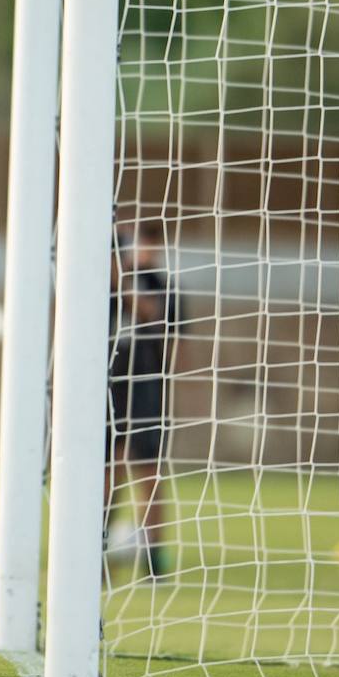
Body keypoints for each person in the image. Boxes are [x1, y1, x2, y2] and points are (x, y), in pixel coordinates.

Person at [107, 222, 182, 578]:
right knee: (107, 470)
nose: (146, 248)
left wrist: (122, 284)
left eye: (152, 241)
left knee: (148, 470)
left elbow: (161, 321)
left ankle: (154, 558)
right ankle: (96, 549)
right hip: (107, 387)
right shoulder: (97, 286)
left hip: (147, 387)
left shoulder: (162, 286)